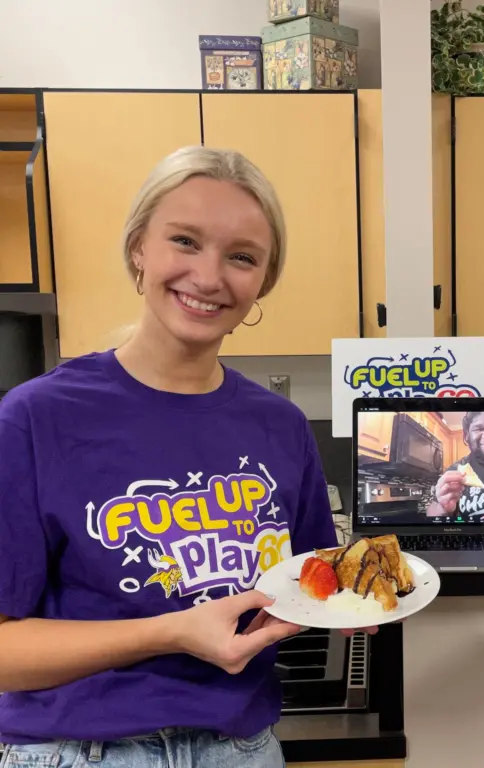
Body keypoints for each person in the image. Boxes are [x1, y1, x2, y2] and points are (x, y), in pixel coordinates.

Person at [0, 146, 374, 767]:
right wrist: (172, 632)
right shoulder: (36, 418)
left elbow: (307, 588)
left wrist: (358, 601)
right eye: (184, 241)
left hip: (242, 749)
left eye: (242, 257)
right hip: (80, 752)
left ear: (263, 281)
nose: (209, 277)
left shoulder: (278, 426)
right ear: (138, 249)